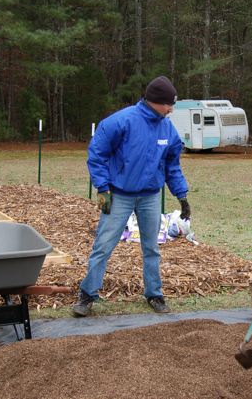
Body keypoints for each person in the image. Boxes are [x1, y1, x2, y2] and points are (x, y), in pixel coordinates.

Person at [72, 76, 191, 317]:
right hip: (119, 196)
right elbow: (97, 153)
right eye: (169, 104)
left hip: (150, 197)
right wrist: (103, 188)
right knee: (103, 245)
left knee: (152, 248)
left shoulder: (168, 129)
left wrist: (182, 195)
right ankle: (87, 295)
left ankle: (154, 294)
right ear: (156, 101)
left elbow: (172, 166)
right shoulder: (121, 122)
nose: (171, 109)